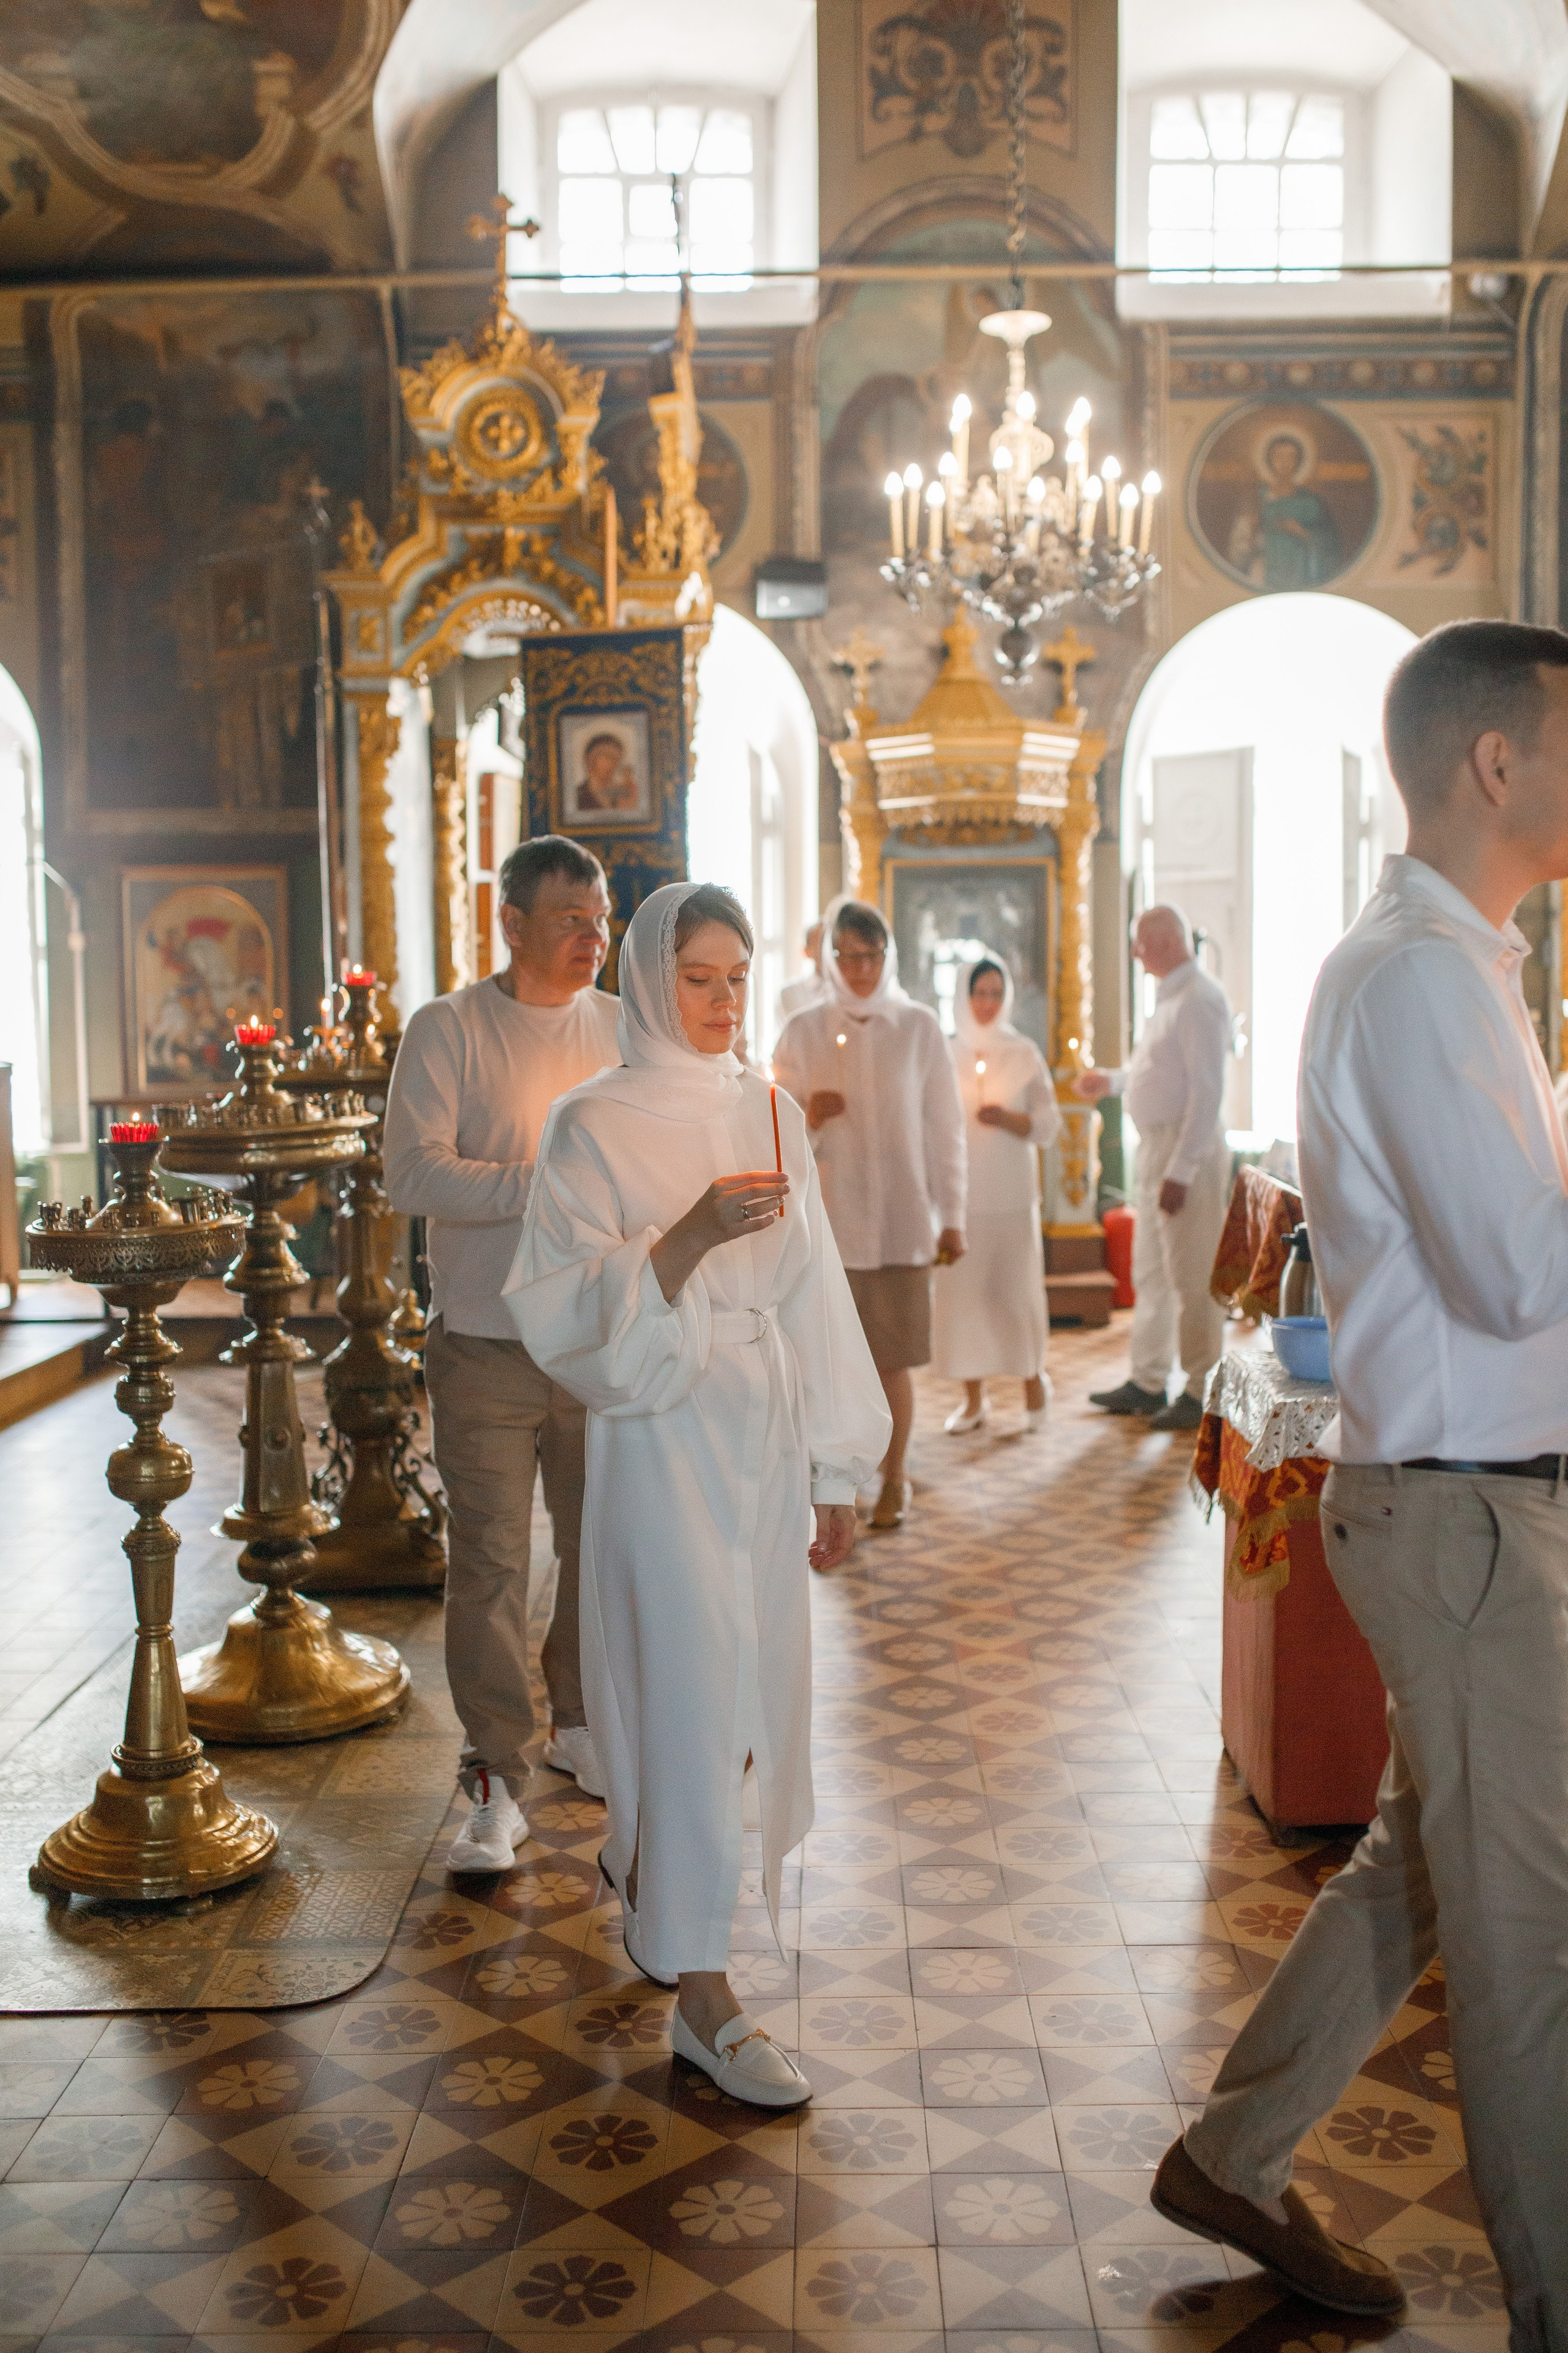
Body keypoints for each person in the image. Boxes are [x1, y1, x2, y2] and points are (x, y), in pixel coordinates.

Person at [1154, 619, 1568, 2342]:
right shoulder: (1415, 974)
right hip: (1466, 1508)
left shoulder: (1465, 962)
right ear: (1496, 763)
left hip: (1477, 1492)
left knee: (1420, 1865)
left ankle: (1237, 2155)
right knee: (1531, 1951)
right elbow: (1521, 1279)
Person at [505, 882, 889, 2106]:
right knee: (682, 1685)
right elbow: (562, 1311)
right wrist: (682, 1238)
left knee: (743, 1692)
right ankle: (704, 1994)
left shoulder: (769, 1109)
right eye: (697, 979)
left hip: (761, 1436)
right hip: (658, 1435)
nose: (722, 1003)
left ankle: (652, 1878)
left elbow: (817, 1290)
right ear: (646, 977)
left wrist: (838, 1461)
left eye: (737, 977)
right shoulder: (591, 1124)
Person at [383, 835, 621, 1872]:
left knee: (597, 1547)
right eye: (570, 917)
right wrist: (540, 1186)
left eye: (602, 917)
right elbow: (413, 1173)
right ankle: (493, 1772)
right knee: (488, 1565)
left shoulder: (621, 1029)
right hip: (483, 1343)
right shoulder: (449, 1029)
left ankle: (577, 1723)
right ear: (512, 923)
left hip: (597, 1342)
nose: (592, 936)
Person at [773, 899, 966, 1529]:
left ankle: (896, 1475)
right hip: (830, 1226)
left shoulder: (918, 1027)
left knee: (892, 1362)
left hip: (904, 1222)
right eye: (847, 955)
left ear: (888, 956)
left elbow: (944, 1127)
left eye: (871, 955)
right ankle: (838, 1485)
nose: (859, 968)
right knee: (828, 1366)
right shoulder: (802, 1029)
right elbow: (771, 1130)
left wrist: (952, 1213)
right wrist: (811, 1112)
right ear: (829, 958)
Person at [1075, 904, 1231, 1432]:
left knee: (1191, 1275)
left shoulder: (1201, 999)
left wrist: (1182, 1171)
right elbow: (1163, 1076)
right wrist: (1115, 1082)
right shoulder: (1169, 999)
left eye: (1142, 943)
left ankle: (1200, 1385)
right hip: (1157, 1147)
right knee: (1151, 1272)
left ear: (1166, 941)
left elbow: (1207, 1094)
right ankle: (1147, 1380)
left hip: (1189, 1150)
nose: (1137, 953)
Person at [933, 953, 1062, 1433]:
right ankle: (973, 1399)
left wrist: (1008, 1118)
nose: (987, 1003)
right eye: (978, 993)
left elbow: (1049, 1126)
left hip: (1011, 1195)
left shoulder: (1023, 1052)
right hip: (962, 1198)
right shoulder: (945, 1051)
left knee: (1015, 1295)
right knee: (964, 1299)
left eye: (995, 993)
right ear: (963, 997)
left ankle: (1033, 1383)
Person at [777, 913, 831, 1025]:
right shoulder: (790, 993)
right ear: (806, 952)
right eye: (819, 944)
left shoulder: (849, 991)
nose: (826, 950)